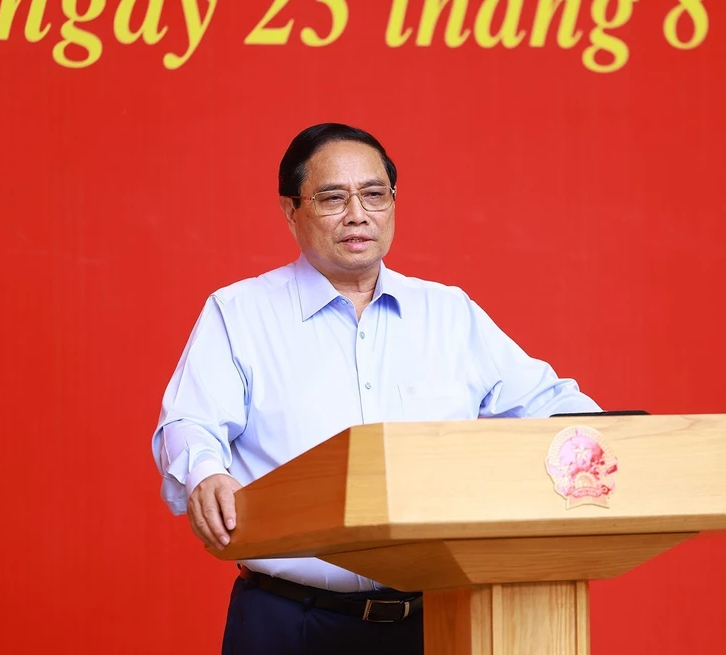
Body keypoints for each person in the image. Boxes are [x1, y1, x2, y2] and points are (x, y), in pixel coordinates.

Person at [151, 122, 601, 655]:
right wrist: (206, 472)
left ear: (393, 203)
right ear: (290, 209)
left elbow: (550, 404)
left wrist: (614, 444)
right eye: (333, 198)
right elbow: (190, 423)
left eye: (374, 195)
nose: (357, 215)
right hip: (289, 620)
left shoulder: (448, 314)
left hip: (434, 622)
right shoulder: (239, 312)